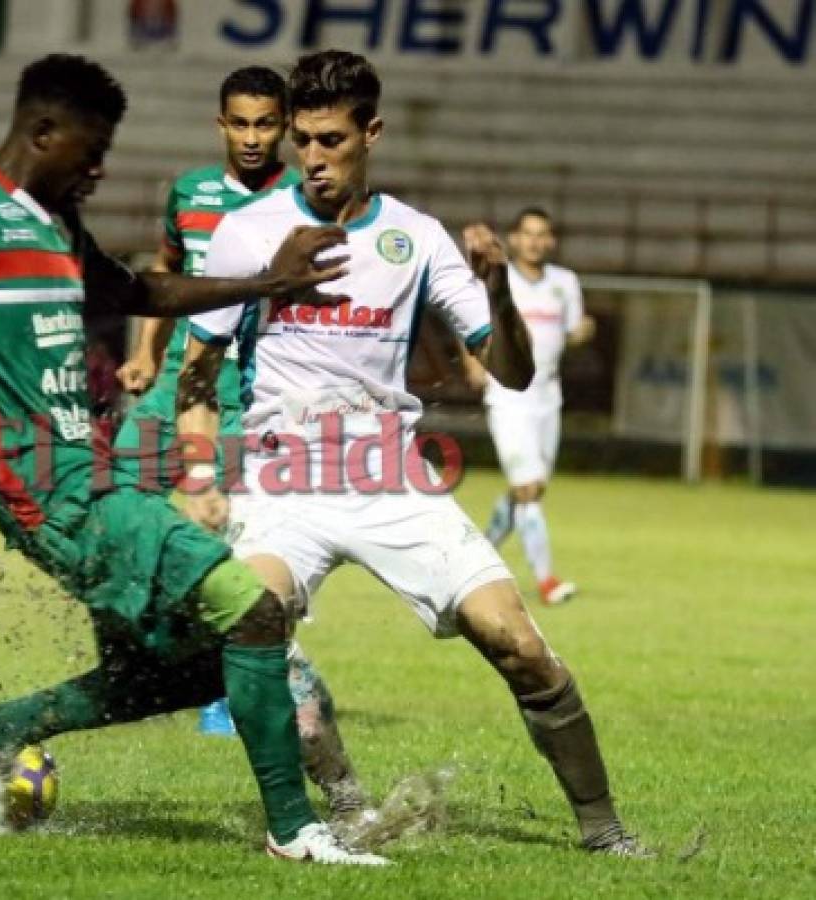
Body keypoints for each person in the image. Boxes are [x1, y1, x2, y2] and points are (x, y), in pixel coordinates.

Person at [0, 54, 384, 865]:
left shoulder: (57, 225)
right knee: (255, 613)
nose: (98, 167)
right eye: (89, 149)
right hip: (42, 485)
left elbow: (141, 293)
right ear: (41, 131)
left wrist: (266, 282)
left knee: (208, 668)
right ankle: (297, 833)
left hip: (92, 476)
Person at [177, 50, 650, 857]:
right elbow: (198, 374)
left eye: (331, 138)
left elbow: (510, 370)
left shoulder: (413, 236)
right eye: (302, 140)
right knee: (255, 635)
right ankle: (335, 812)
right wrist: (196, 477)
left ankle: (604, 833)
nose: (313, 157)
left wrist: (497, 287)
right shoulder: (248, 232)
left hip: (386, 472)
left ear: (372, 133)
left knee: (519, 646)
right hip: (282, 475)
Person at [111, 62, 369, 826]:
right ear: (219, 124)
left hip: (246, 395)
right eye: (241, 124)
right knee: (112, 508)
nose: (254, 138)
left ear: (285, 126)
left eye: (267, 125)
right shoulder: (189, 194)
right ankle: (158, 659)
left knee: (227, 548)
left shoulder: (306, 201)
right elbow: (166, 272)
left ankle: (261, 683)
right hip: (176, 384)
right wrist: (148, 352)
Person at [463, 208, 595, 605]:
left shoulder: (565, 283)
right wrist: (472, 361)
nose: (535, 241)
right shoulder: (499, 281)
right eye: (527, 234)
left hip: (547, 396)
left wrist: (582, 333)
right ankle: (547, 582)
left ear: (550, 241)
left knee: (529, 491)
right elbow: (469, 322)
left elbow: (571, 332)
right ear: (515, 239)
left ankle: (475, 559)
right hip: (508, 394)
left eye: (543, 235)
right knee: (528, 489)